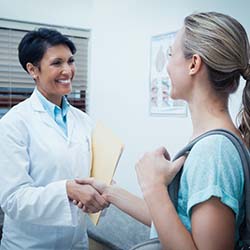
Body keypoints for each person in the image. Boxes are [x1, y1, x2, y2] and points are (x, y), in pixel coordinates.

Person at [75, 12, 250, 249]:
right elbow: (177, 223)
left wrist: (153, 186)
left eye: (170, 54)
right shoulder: (211, 142)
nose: (166, 66)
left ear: (193, 64)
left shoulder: (214, 152)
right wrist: (110, 192)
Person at [0, 28, 108, 250]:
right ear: (33, 70)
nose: (67, 70)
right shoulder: (13, 124)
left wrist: (102, 192)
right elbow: (13, 199)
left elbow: (92, 175)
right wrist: (67, 189)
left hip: (75, 242)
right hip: (29, 245)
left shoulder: (84, 121)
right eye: (57, 63)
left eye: (70, 61)